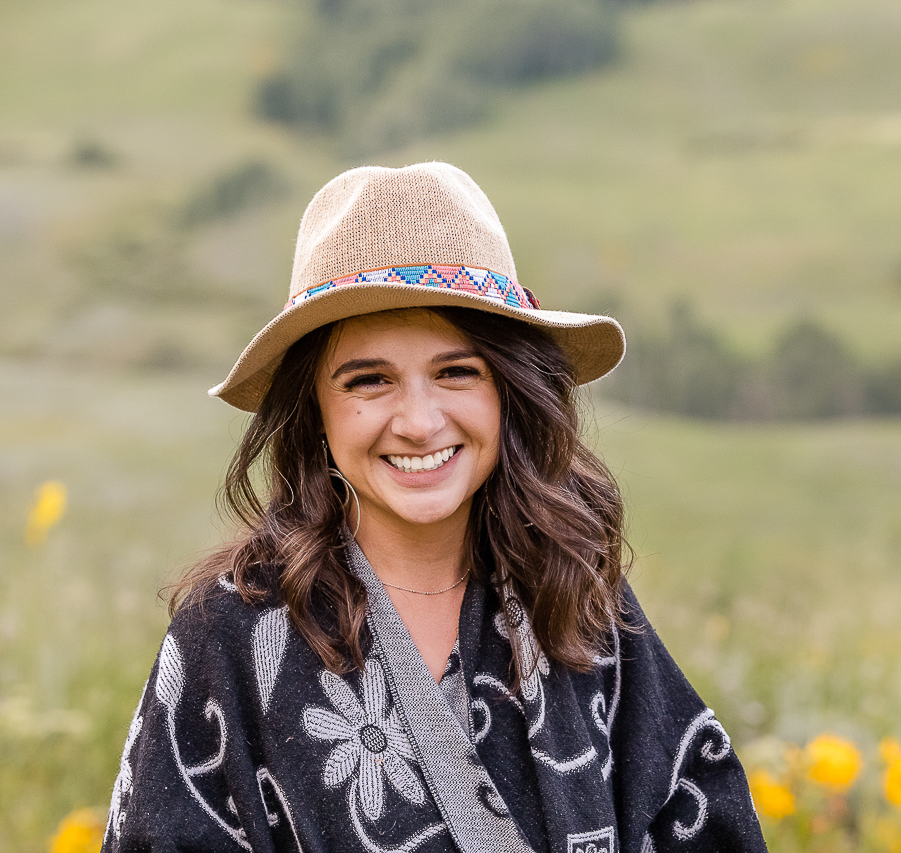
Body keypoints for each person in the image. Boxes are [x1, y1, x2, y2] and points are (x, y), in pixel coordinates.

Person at [102, 163, 767, 853]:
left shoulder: (577, 598)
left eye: (457, 372)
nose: (419, 422)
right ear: (316, 412)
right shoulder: (228, 636)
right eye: (370, 380)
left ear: (509, 390)